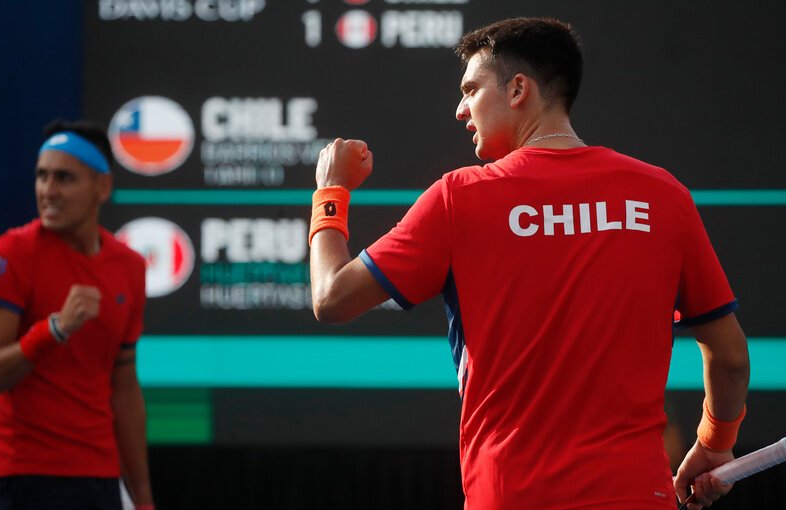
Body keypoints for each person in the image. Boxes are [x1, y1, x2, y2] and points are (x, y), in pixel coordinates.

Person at [308, 17, 749, 510]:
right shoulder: (663, 196)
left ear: (519, 89)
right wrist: (714, 444)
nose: (460, 110)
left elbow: (331, 299)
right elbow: (730, 359)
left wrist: (332, 192)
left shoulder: (459, 198)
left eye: (471, 90)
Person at [0, 120, 155, 510]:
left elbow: (124, 390)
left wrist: (141, 496)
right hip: (24, 475)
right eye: (42, 176)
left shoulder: (129, 267)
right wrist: (54, 329)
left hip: (99, 476)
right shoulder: (11, 254)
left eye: (64, 178)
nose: (47, 191)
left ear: (102, 187)